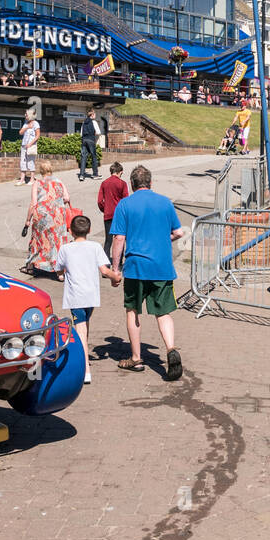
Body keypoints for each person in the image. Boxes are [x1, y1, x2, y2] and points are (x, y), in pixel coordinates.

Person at [109, 165, 185, 380]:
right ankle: (171, 349)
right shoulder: (165, 202)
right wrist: (163, 239)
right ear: (151, 183)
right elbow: (178, 232)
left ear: (132, 185)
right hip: (162, 267)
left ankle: (136, 358)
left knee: (132, 310)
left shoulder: (125, 205)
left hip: (136, 268)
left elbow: (119, 239)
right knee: (163, 312)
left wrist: (115, 269)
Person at [55, 214, 123, 385]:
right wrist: (115, 277)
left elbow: (59, 270)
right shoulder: (95, 247)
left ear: (70, 231)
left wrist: (61, 275)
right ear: (90, 230)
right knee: (84, 327)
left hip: (76, 296)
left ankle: (84, 369)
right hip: (91, 295)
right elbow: (104, 270)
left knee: (81, 330)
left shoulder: (65, 249)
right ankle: (83, 356)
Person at [22, 160, 72, 274]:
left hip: (42, 215)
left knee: (37, 240)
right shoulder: (59, 181)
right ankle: (60, 273)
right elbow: (67, 198)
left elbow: (33, 203)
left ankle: (31, 266)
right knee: (58, 241)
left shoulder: (37, 183)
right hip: (58, 215)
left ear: (41, 171)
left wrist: (28, 220)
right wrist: (57, 203)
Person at [97, 162, 129, 260]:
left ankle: (105, 264)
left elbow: (99, 201)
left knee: (108, 240)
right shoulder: (122, 184)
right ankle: (118, 263)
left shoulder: (104, 183)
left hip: (108, 214)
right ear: (120, 172)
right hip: (120, 215)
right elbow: (125, 201)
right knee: (120, 239)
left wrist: (105, 208)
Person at [17, 109, 40, 186]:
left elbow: (37, 136)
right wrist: (27, 127)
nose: (25, 115)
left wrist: (30, 144)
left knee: (30, 161)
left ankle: (32, 179)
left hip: (31, 146)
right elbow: (20, 132)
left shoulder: (36, 123)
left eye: (26, 114)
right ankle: (22, 179)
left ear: (30, 115)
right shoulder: (26, 123)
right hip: (24, 145)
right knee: (23, 162)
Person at [79, 106, 102, 180]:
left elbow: (81, 134)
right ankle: (95, 174)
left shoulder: (83, 122)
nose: (95, 115)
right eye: (94, 114)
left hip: (84, 141)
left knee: (83, 157)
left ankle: (82, 175)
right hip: (91, 140)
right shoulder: (94, 122)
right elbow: (98, 132)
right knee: (94, 157)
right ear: (92, 115)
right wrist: (93, 134)